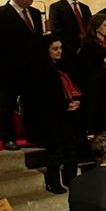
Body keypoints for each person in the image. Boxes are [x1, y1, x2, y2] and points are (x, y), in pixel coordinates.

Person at [0, 0, 44, 150]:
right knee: (7, 105)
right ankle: (8, 138)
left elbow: (37, 40)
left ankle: (33, 133)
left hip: (32, 68)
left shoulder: (35, 13)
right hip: (9, 69)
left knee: (32, 103)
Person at [38, 34, 83, 193]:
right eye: (55, 49)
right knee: (55, 152)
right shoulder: (40, 68)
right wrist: (65, 105)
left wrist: (76, 101)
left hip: (68, 115)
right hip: (52, 117)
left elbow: (73, 86)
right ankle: (53, 182)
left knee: (71, 149)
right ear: (46, 50)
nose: (59, 52)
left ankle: (71, 180)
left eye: (61, 48)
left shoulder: (63, 65)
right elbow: (42, 95)